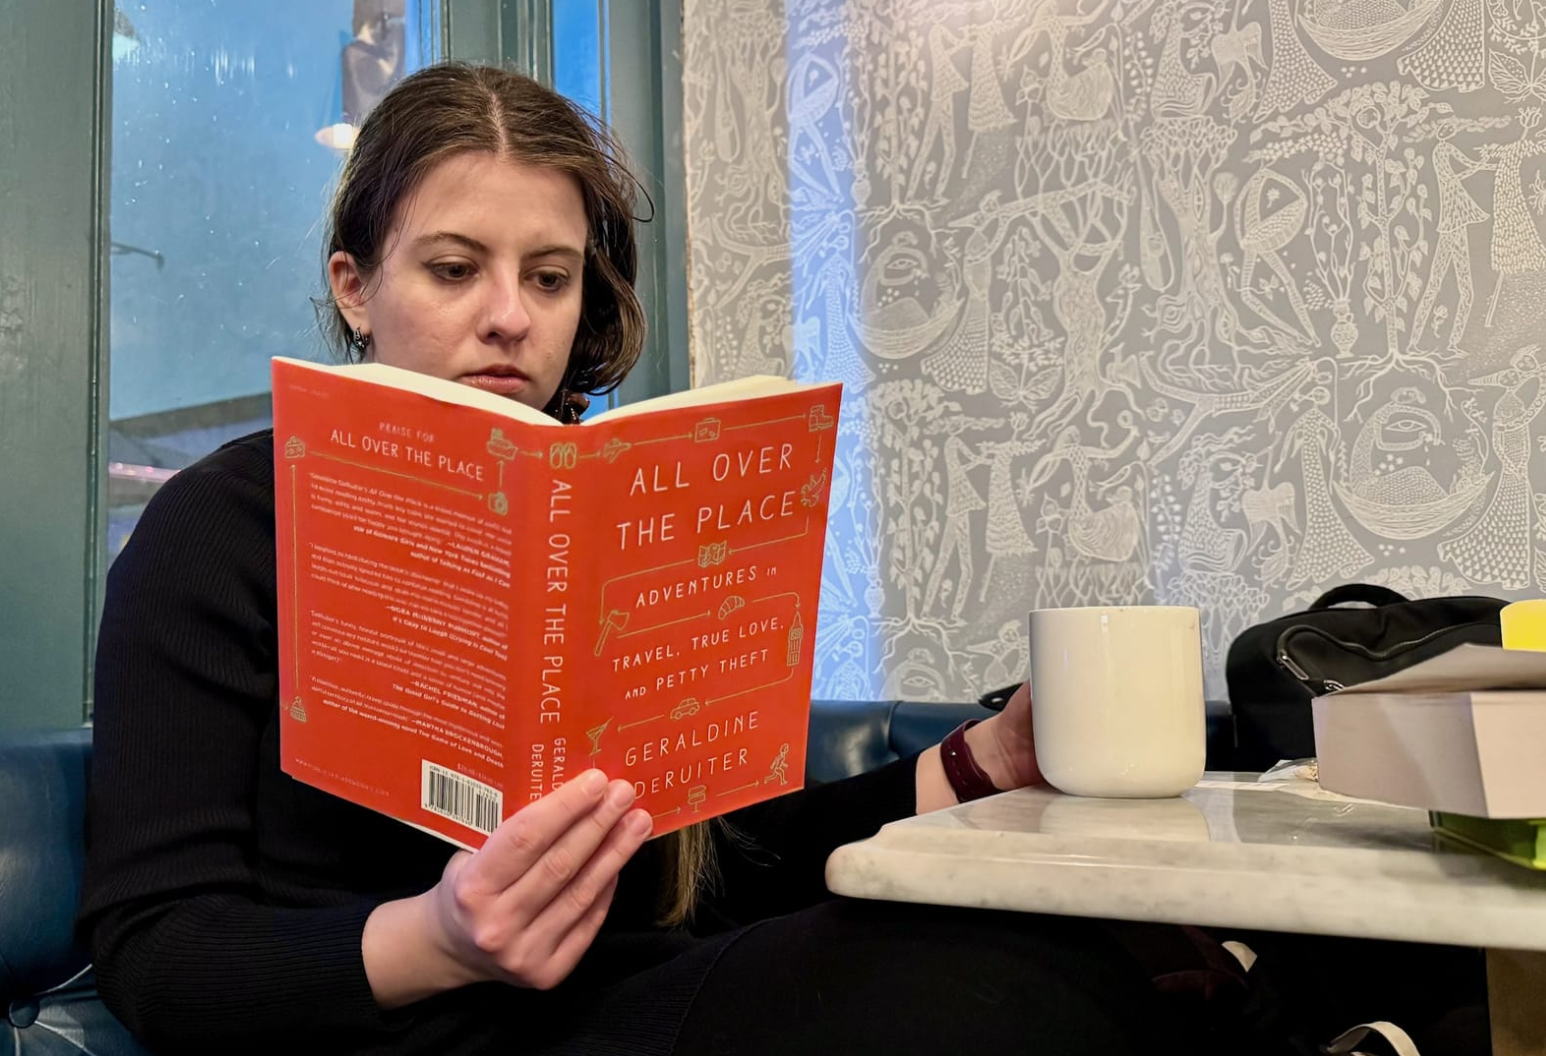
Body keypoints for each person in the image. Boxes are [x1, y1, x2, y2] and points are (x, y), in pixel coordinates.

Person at [78, 62, 1177, 1056]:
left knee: (1026, 944)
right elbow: (156, 952)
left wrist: (986, 759)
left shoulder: (615, 510)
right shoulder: (217, 527)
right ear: (355, 287)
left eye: (549, 278)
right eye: (454, 269)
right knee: (978, 987)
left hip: (645, 1000)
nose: (509, 318)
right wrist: (441, 937)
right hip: (417, 1035)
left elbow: (740, 861)